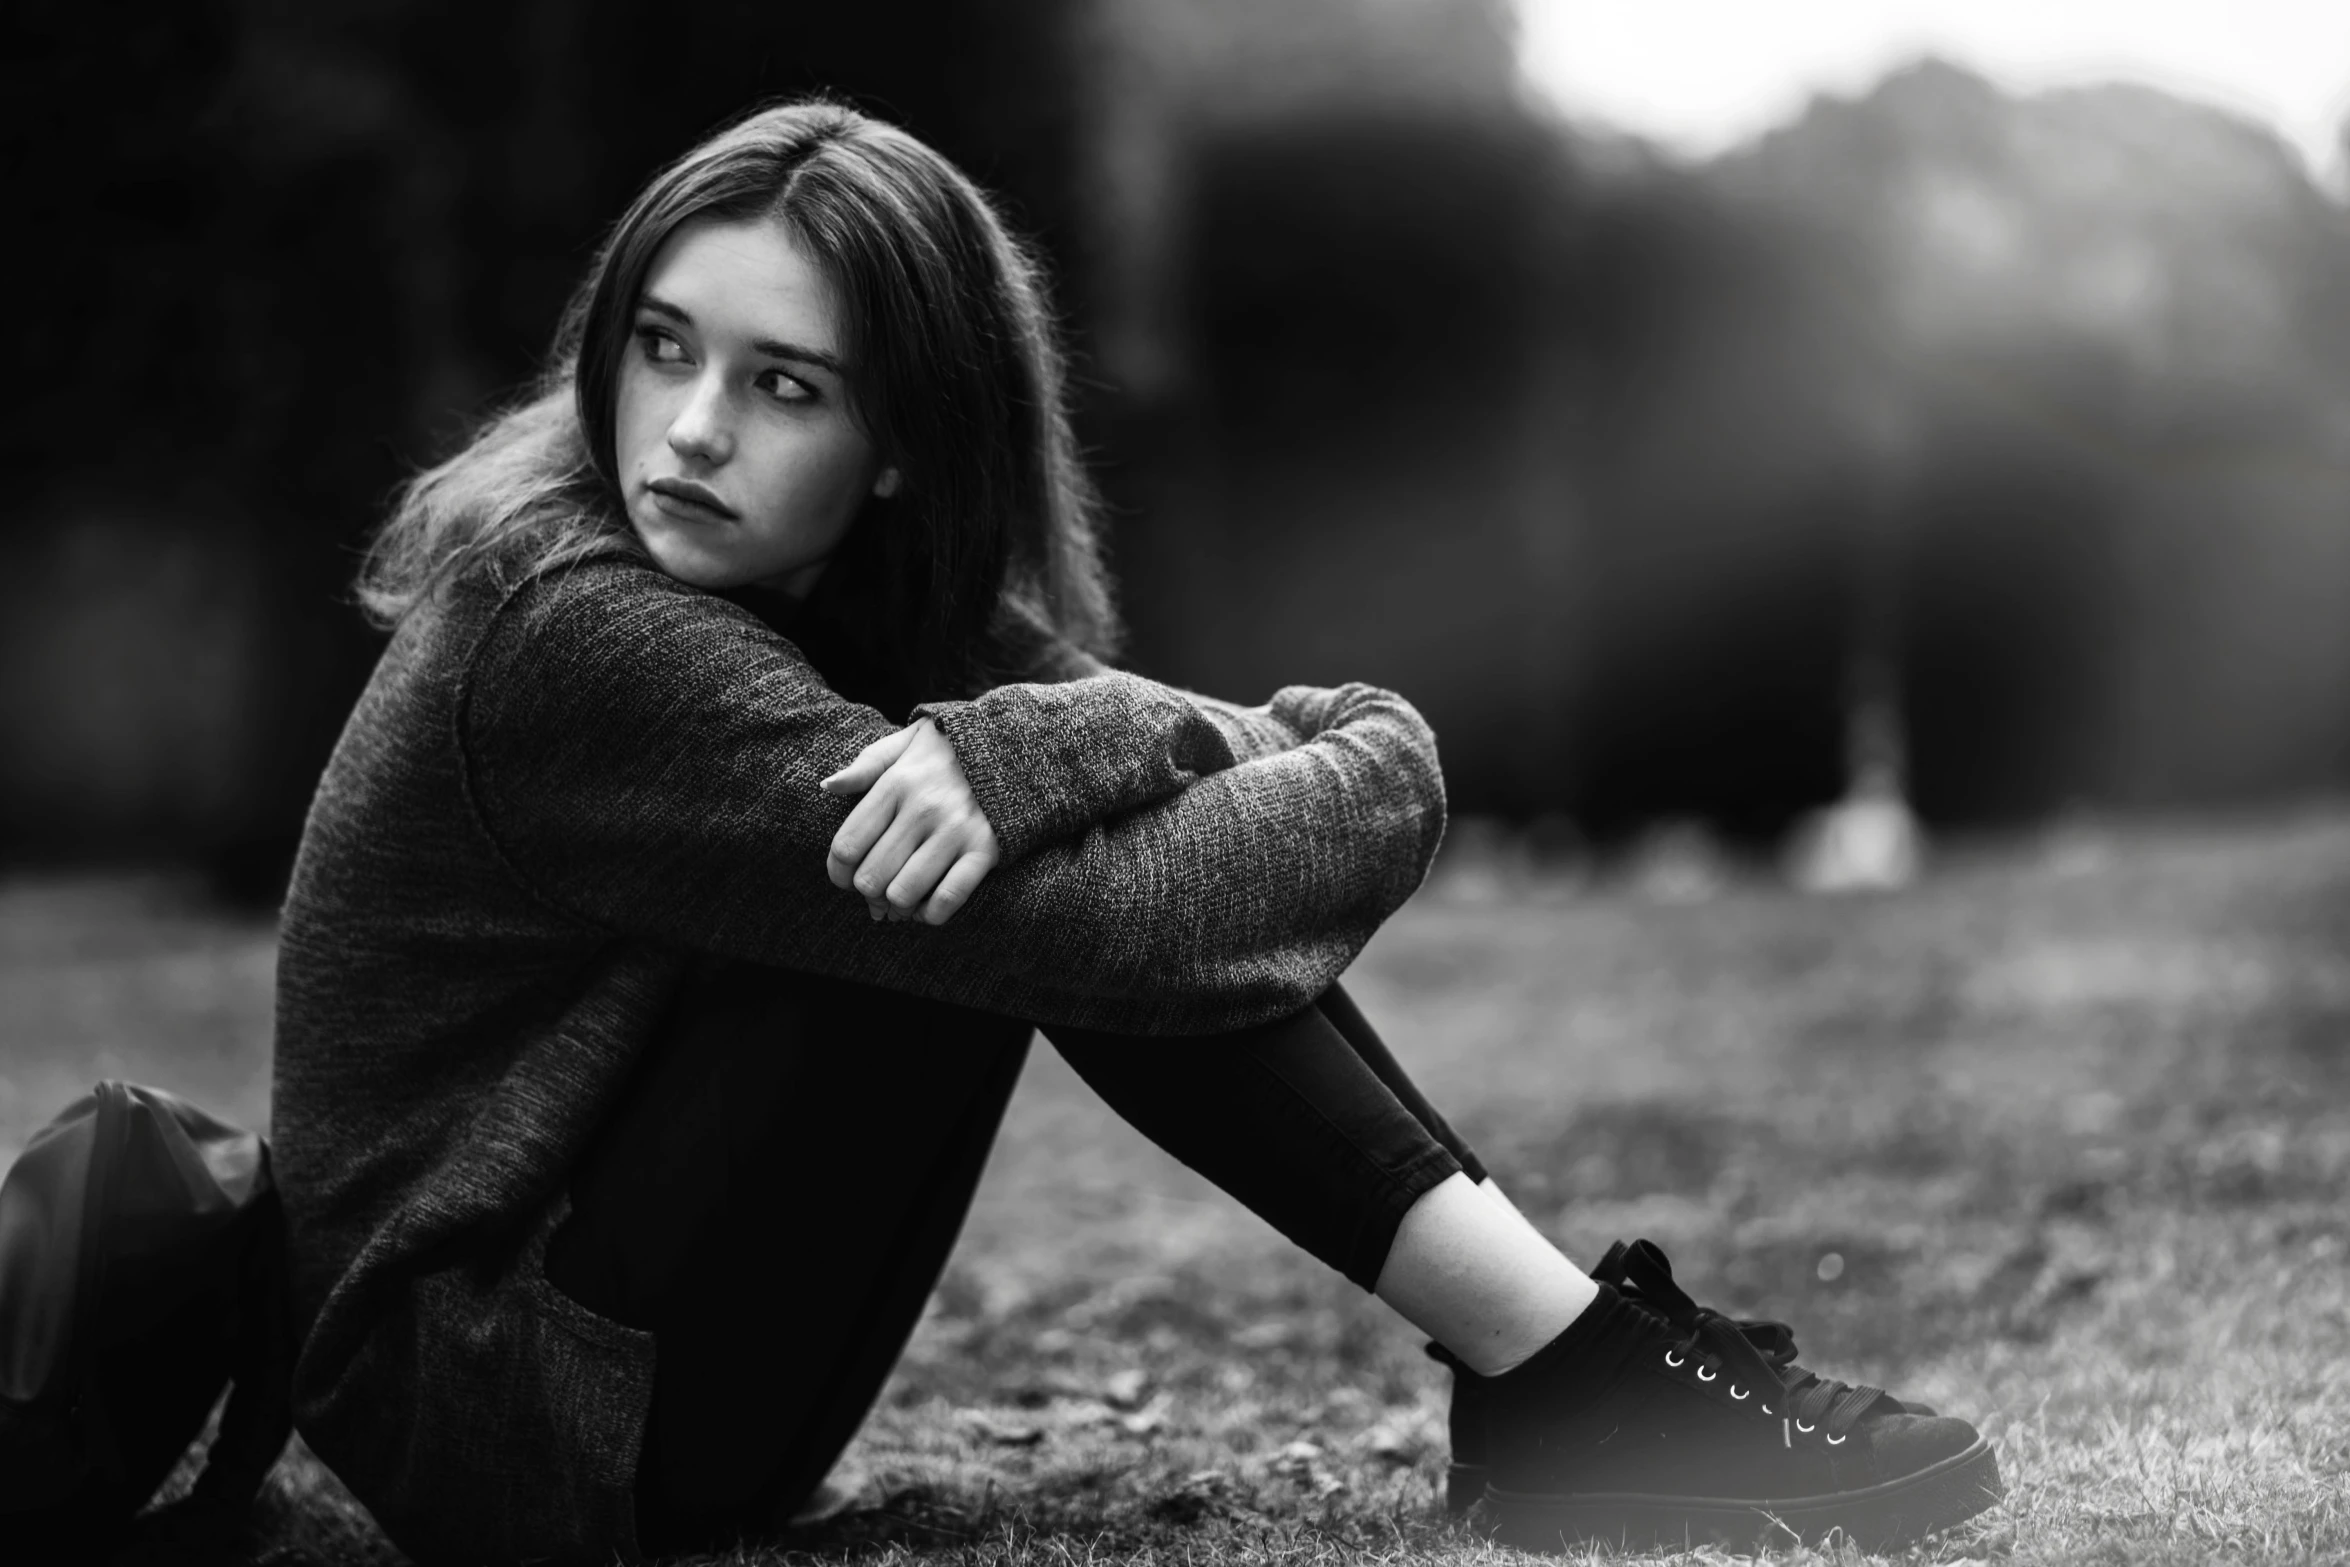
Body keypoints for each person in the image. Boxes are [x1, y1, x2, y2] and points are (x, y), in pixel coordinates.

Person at [268, 98, 2002, 1566]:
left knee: (1015, 842)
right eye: (663, 348)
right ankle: (1570, 1371)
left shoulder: (876, 609)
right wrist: (1075, 761)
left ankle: (1568, 1366)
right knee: (998, 878)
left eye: (785, 386)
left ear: (898, 448)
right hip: (498, 1419)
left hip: (656, 1386)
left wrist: (1072, 736)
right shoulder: (577, 629)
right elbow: (1133, 922)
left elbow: (1372, 765)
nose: (695, 428)